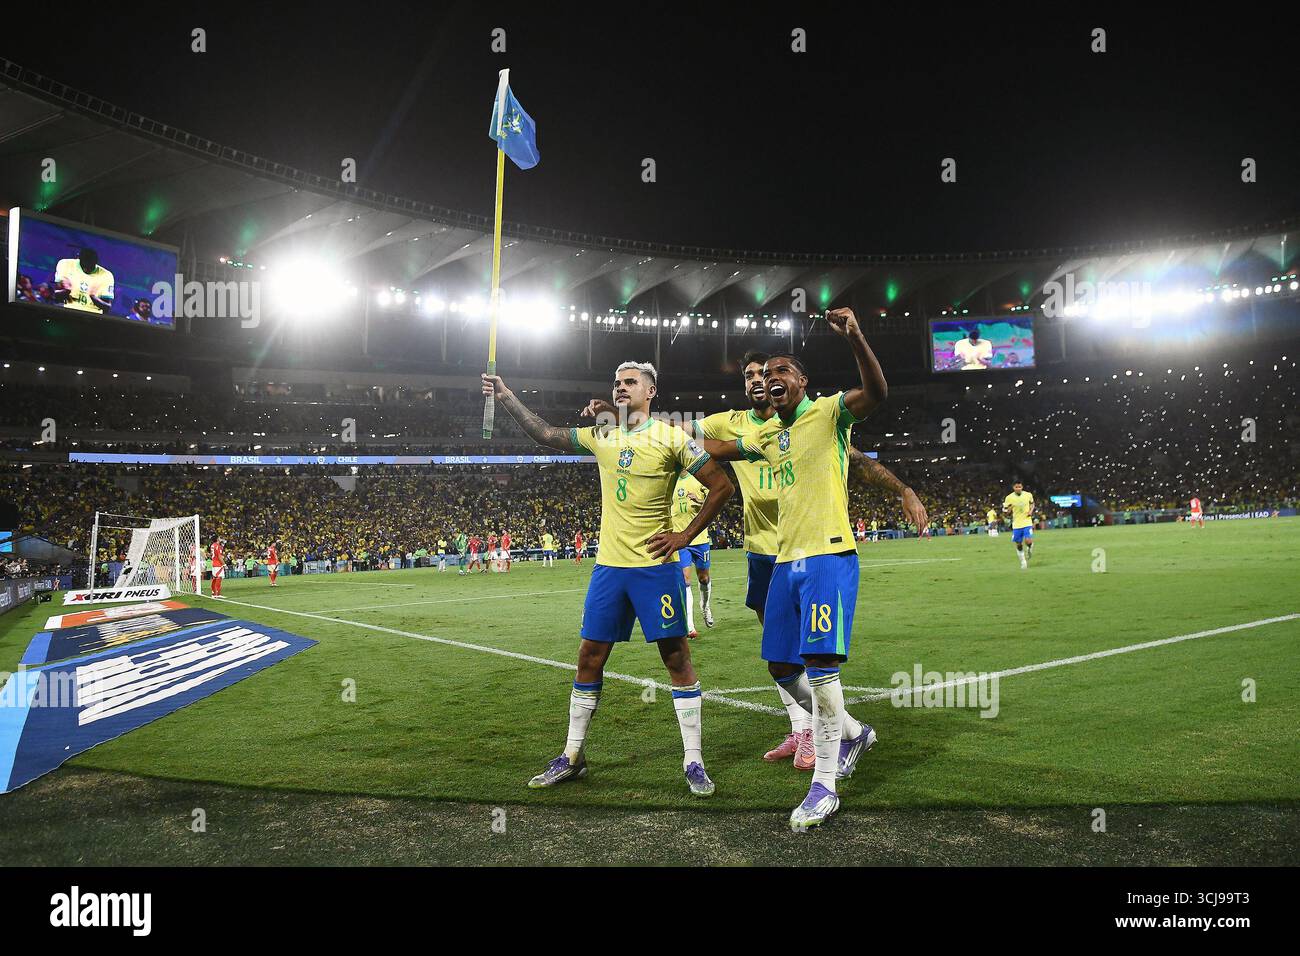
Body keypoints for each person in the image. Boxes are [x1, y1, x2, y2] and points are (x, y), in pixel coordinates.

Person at [483, 360, 735, 797]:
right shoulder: (602, 434)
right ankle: (573, 757)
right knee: (588, 658)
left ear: (651, 391)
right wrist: (506, 396)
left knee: (676, 659)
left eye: (630, 382)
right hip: (609, 569)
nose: (621, 388)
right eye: (617, 382)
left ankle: (693, 760)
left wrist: (684, 535)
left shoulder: (672, 438)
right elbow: (545, 434)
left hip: (655, 569)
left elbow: (722, 486)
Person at [697, 308, 887, 831]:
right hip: (783, 562)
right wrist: (661, 437)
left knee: (822, 667)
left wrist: (855, 337)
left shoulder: (828, 413)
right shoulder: (767, 438)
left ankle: (824, 785)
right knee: (781, 667)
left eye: (784, 371)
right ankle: (852, 730)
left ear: (802, 382)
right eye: (766, 373)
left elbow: (875, 392)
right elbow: (713, 446)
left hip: (828, 556)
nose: (772, 378)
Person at [671, 471, 713, 638]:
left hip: (700, 537)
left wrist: (700, 500)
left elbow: (715, 502)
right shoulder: (671, 481)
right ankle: (690, 626)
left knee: (704, 578)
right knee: (685, 580)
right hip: (681, 539)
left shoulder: (700, 477)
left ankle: (705, 606)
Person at [1002, 481, 1035, 568]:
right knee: (1018, 544)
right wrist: (1008, 510)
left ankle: (1029, 548)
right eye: (1016, 487)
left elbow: (1032, 504)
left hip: (1027, 521)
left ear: (1022, 487)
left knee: (1028, 540)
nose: (1018, 488)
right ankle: (1023, 561)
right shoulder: (1009, 498)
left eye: (1019, 487)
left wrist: (1031, 511)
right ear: (1013, 488)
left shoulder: (1028, 495)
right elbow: (1005, 511)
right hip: (1016, 524)